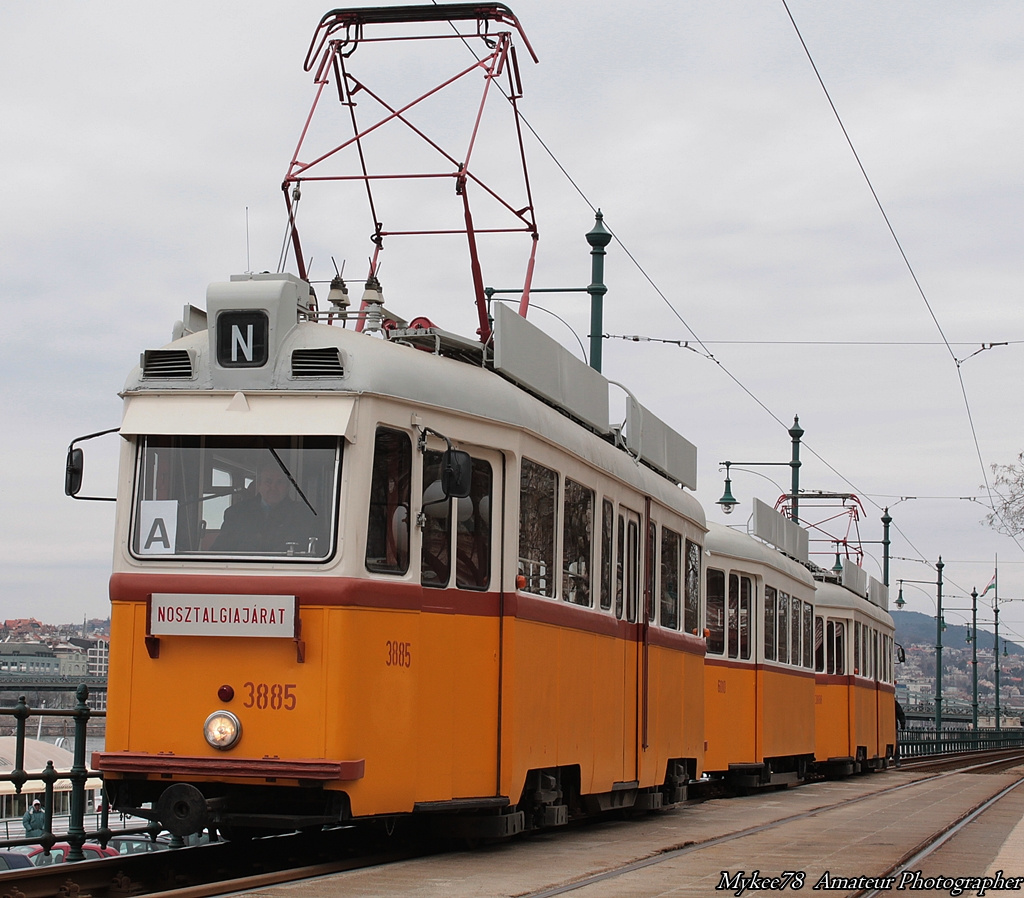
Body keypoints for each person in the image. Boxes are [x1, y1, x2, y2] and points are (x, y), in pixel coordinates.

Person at [214, 463, 319, 553]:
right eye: (268, 481)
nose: (273, 487)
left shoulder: (302, 514)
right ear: (259, 485)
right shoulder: (236, 513)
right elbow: (220, 549)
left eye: (279, 482)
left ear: (287, 487)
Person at [894, 699, 906, 767]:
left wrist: (902, 723)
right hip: (892, 726)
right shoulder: (894, 702)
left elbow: (900, 713)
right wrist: (902, 723)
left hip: (893, 727)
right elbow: (901, 713)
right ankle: (897, 760)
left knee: (895, 743)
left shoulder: (894, 703)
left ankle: (896, 759)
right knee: (896, 743)